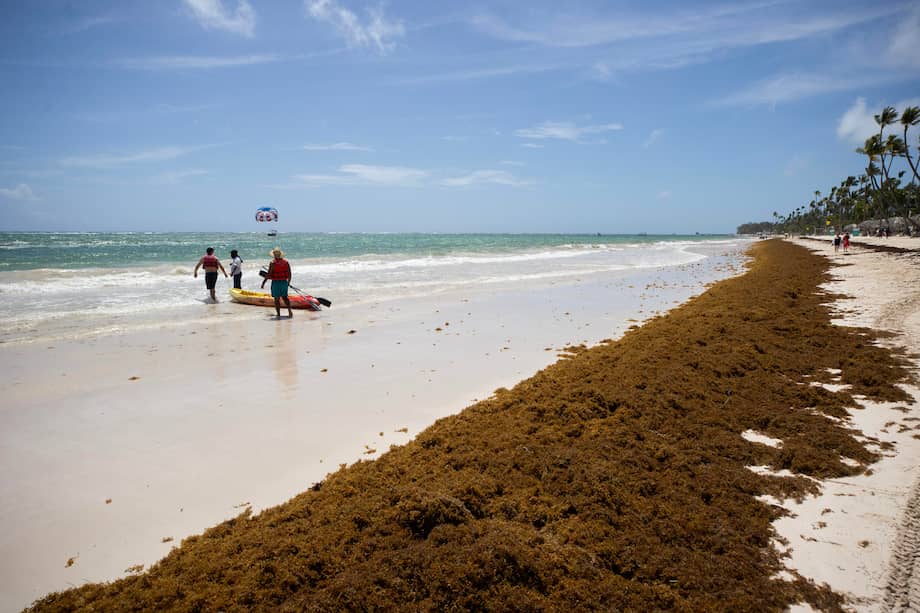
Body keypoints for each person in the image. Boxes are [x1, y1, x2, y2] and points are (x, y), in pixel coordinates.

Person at [261, 247, 293, 318]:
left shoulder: (272, 263)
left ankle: (278, 314)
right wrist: (288, 282)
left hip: (276, 282)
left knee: (276, 299)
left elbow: (269, 274)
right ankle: (290, 311)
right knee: (285, 297)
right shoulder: (286, 262)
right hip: (284, 282)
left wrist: (263, 283)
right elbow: (289, 273)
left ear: (274, 255)